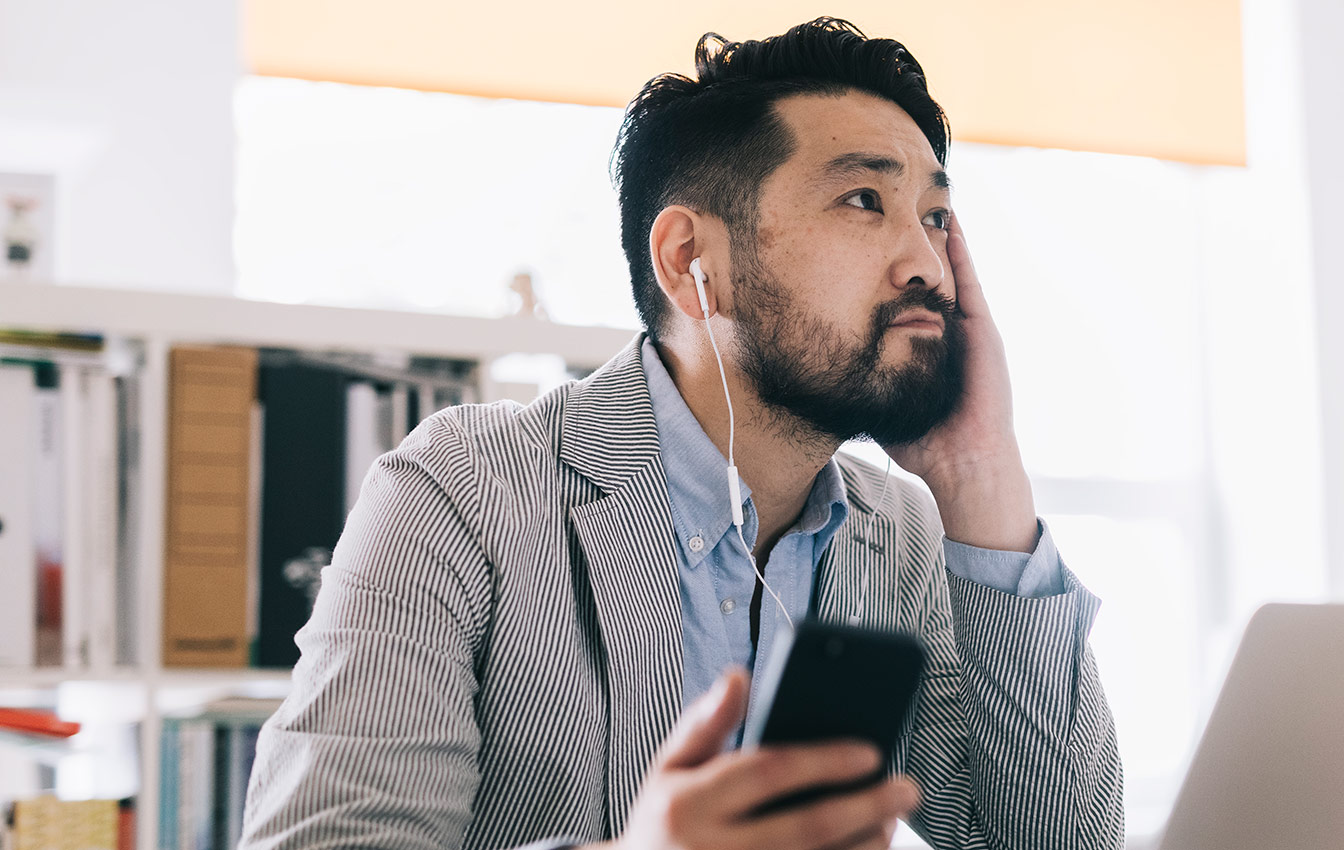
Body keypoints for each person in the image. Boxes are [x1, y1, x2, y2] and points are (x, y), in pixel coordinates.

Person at [240, 17, 1123, 850]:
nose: (927, 266)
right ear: (689, 261)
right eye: (864, 200)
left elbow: (1053, 839)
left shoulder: (903, 533)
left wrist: (979, 472)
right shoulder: (464, 488)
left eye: (934, 216)